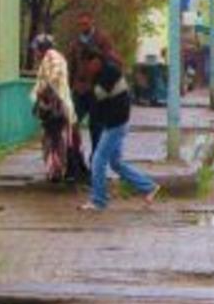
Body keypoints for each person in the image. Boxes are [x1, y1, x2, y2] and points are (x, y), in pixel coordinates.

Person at [78, 47, 160, 211]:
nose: (87, 69)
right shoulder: (101, 74)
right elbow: (95, 103)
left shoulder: (109, 72)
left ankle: (99, 200)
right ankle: (149, 187)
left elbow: (95, 99)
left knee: (98, 160)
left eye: (88, 65)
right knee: (116, 163)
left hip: (116, 123)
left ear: (95, 61)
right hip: (114, 122)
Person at [30, 34, 89, 182]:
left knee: (57, 140)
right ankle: (69, 171)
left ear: (42, 48)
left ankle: (61, 171)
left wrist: (42, 90)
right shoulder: (51, 57)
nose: (35, 53)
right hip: (59, 106)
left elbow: (54, 76)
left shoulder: (52, 56)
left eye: (36, 49)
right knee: (65, 139)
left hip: (57, 107)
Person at [67, 11, 120, 158]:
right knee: (72, 123)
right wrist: (69, 87)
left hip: (97, 90)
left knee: (96, 127)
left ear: (92, 22)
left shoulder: (102, 39)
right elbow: (71, 66)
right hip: (79, 89)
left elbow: (114, 61)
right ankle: (76, 161)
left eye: (85, 23)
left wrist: (99, 56)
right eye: (80, 24)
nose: (83, 26)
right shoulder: (76, 42)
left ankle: (95, 162)